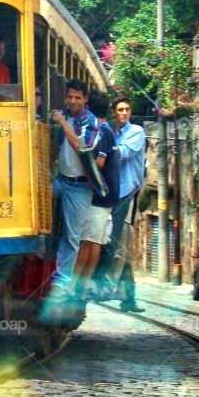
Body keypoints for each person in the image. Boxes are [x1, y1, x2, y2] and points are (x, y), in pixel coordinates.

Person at [43, 79, 98, 314]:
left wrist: (64, 122)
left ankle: (61, 283)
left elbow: (81, 146)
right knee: (33, 196)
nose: (73, 101)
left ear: (85, 99)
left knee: (72, 236)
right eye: (70, 97)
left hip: (80, 187)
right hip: (61, 180)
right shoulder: (63, 113)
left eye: (78, 97)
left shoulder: (90, 121)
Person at [97, 97, 147, 311]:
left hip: (125, 194)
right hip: (113, 192)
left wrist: (102, 148)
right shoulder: (112, 131)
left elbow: (121, 154)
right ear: (114, 112)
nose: (124, 113)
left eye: (127, 109)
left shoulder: (135, 132)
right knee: (121, 245)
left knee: (113, 240)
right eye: (120, 110)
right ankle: (129, 298)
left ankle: (103, 285)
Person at [76, 91, 121, 303]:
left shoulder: (101, 131)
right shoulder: (109, 130)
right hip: (109, 197)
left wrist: (81, 169)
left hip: (100, 196)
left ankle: (79, 285)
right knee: (96, 241)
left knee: (89, 241)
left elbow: (99, 164)